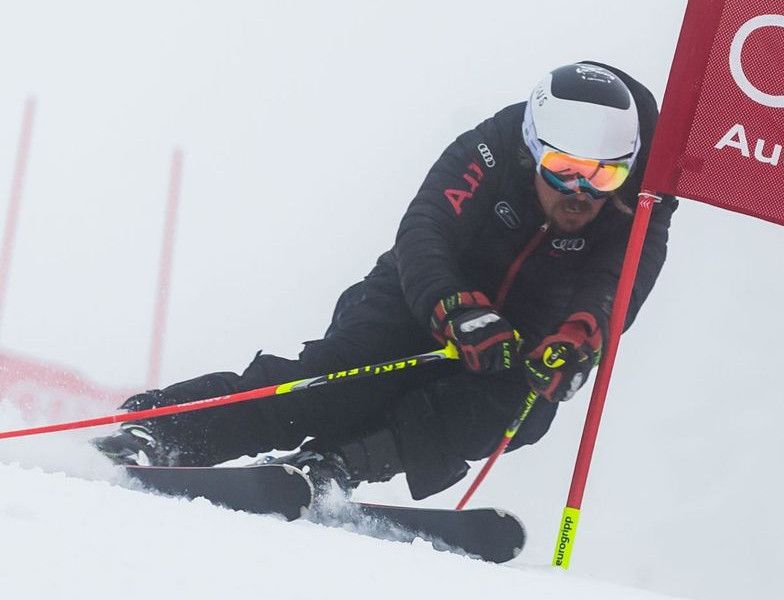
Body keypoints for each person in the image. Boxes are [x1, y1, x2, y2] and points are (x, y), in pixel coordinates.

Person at [95, 61, 677, 501]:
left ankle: (334, 468)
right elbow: (425, 230)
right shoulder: (494, 146)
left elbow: (619, 284)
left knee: (518, 410)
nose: (581, 192)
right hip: (420, 296)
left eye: (604, 175)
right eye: (564, 170)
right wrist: (454, 307)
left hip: (519, 335)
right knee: (338, 384)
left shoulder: (644, 200)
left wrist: (579, 339)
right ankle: (161, 433)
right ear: (532, 148)